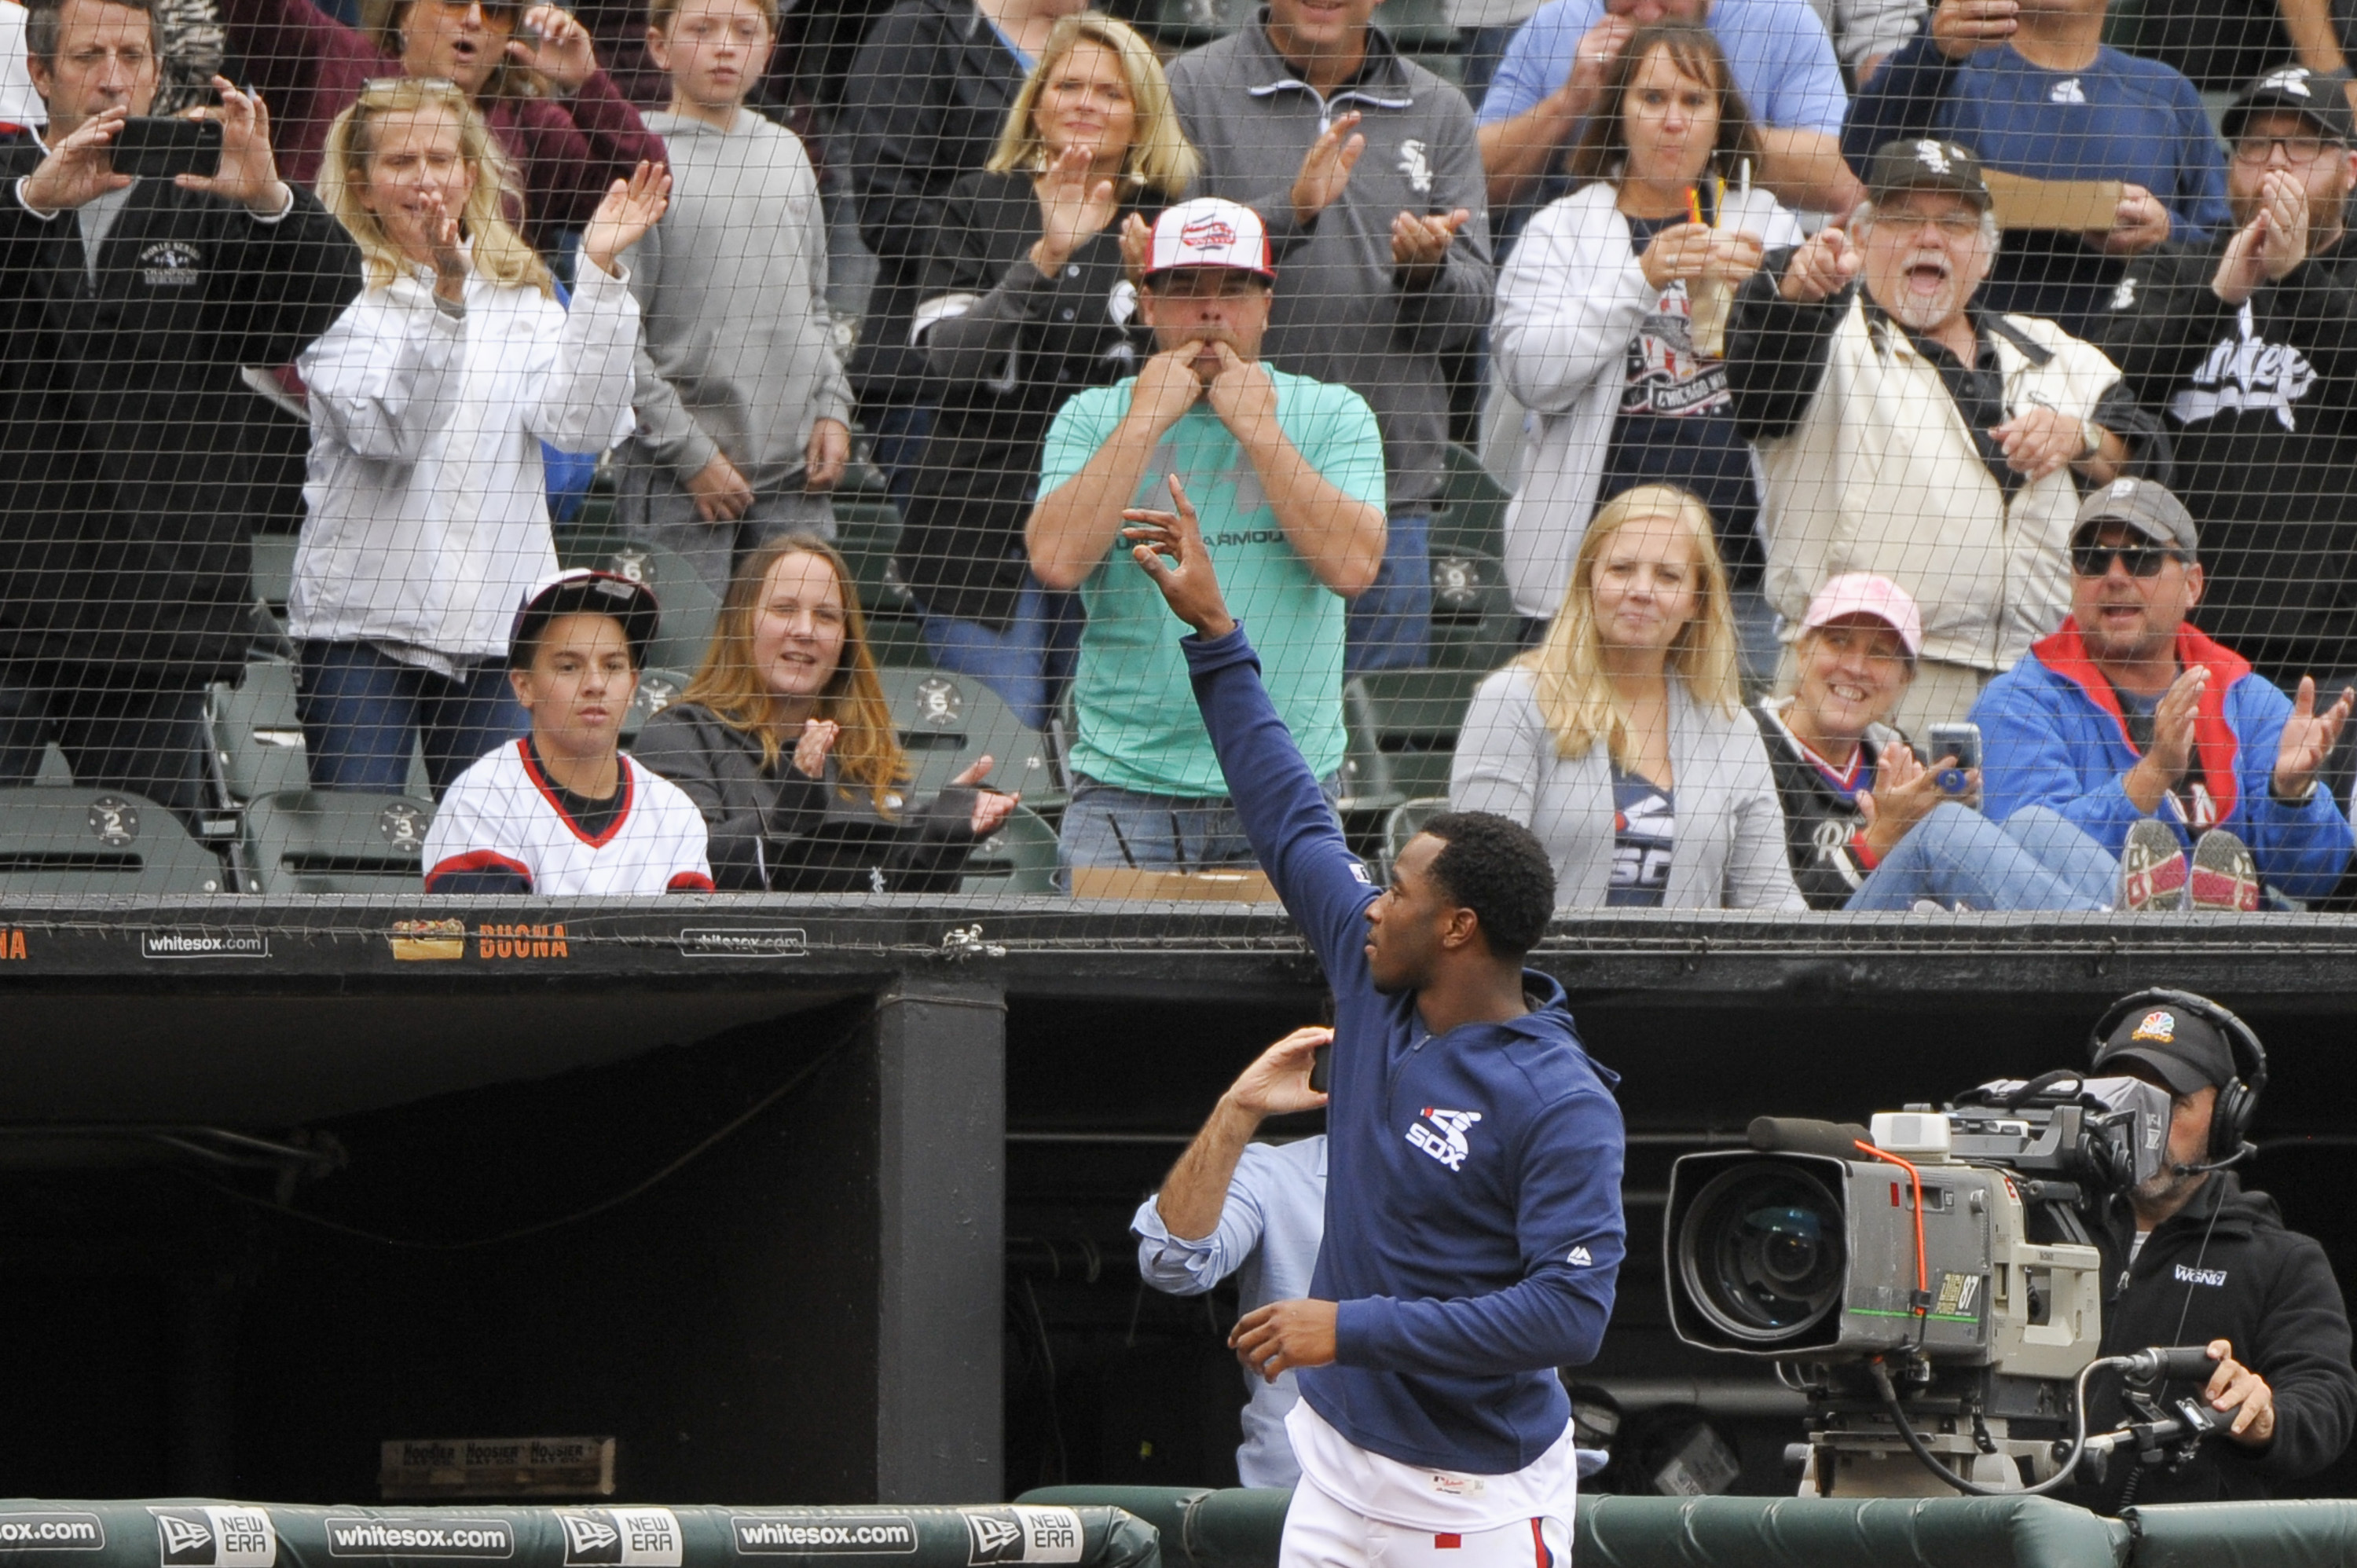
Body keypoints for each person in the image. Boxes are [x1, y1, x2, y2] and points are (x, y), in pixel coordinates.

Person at [1122, 461, 1625, 1568]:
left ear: (1456, 931)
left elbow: (1565, 1321)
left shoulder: (1560, 1098)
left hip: (1478, 1500)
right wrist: (1214, 630)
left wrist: (1345, 1327)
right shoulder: (1373, 976)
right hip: (1339, 1479)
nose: (1372, 901)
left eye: (1399, 888)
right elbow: (1289, 816)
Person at [0, 0, 358, 819]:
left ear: (161, 72)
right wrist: (32, 202)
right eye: (89, 56)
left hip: (152, 621)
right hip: (10, 612)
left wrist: (270, 201)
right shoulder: (9, 185)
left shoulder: (208, 191)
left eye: (133, 54)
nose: (114, 78)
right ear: (40, 73)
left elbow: (302, 311)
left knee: (154, 881)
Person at [1725, 137, 2168, 735]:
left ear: (1985, 254)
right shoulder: (1821, 333)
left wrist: (2079, 439)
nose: (1928, 238)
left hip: (2041, 691)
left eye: (1955, 224)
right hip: (1863, 685)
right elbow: (1760, 379)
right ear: (1860, 238)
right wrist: (1796, 290)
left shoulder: (2053, 352)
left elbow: (2148, 457)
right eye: (1904, 218)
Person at [291, 80, 661, 797]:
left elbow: (580, 427)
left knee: (493, 871)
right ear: (363, 188)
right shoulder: (331, 285)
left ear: (470, 173)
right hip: (362, 630)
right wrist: (446, 303)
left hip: (499, 631)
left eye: (442, 158)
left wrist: (603, 278)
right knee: (355, 858)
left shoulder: (521, 290)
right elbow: (391, 434)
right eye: (402, 163)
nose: (426, 179)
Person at [1025, 198, 1386, 875]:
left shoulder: (1334, 412)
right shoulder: (1093, 414)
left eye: (1234, 289)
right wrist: (1143, 423)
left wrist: (1260, 432)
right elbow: (1055, 559)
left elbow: (1353, 568)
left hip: (1287, 782)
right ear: (1149, 305)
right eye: (1186, 289)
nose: (1211, 311)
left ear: (1266, 306)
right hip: (1127, 789)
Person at [1165, 0, 1492, 674]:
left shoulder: (1440, 107)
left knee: (1367, 760)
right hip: (1225, 487)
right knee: (1233, 744)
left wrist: (1426, 275)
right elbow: (1172, 276)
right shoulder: (1192, 86)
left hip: (1386, 494)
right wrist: (1293, 212)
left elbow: (1470, 310)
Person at [895, 13, 1195, 730]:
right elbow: (948, 361)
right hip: (976, 538)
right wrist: (1046, 259)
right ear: (1037, 103)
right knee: (1004, 747)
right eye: (1068, 85)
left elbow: (1193, 379)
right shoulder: (975, 202)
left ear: (1142, 118)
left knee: (1101, 741)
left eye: (1112, 92)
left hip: (1122, 540)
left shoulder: (1168, 221)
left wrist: (1154, 302)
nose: (1087, 102)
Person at [1490, 24, 1802, 665]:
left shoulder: (1769, 222)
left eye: (1694, 101)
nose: (1673, 121)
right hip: (1588, 584)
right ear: (1618, 113)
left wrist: (1800, 296)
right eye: (1653, 98)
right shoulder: (1562, 230)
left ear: (1722, 118)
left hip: (1738, 585)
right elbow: (1530, 373)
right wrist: (1641, 279)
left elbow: (1803, 392)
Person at [1972, 478, 2357, 908]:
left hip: (2241, 965)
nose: (2115, 576)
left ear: (2193, 584)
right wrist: (2152, 775)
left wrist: (2292, 797)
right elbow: (2020, 861)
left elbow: (2318, 876)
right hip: (2093, 959)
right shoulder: (2016, 703)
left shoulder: (2247, 697)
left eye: (2142, 558)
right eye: (2093, 559)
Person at [2095, 64, 2357, 691]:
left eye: (2301, 146)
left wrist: (2295, 278)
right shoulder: (2179, 264)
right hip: (2176, 639)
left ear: (2350, 170)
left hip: (2332, 648)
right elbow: (2109, 392)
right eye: (2255, 146)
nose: (2275, 166)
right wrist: (2218, 298)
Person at [2066, 990, 2356, 1506]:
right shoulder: (2033, 1224)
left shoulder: (2282, 1261)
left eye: (2170, 1104)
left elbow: (2324, 1405)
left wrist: (2265, 1416)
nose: (2144, 1126)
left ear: (2225, 1119)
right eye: (2125, 1100)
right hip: (2023, 1538)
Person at [1450, 485, 1802, 909]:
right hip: (1541, 973)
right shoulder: (1511, 701)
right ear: (1588, 580)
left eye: (1668, 576)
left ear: (1697, 600)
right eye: (1621, 569)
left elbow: (1771, 901)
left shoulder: (1733, 729)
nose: (1642, 590)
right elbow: (1479, 887)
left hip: (1684, 975)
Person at [613, 0, 852, 600]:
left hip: (796, 484)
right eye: (702, 29)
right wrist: (690, 454)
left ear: (769, 49)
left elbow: (816, 305)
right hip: (681, 479)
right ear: (659, 46)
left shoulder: (789, 154)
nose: (725, 46)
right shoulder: (640, 155)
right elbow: (615, 335)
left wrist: (833, 405)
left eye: (746, 31)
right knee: (682, 672)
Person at [633, 535, 1019, 891]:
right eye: (784, 609)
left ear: (845, 641)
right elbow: (683, 875)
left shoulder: (866, 751)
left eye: (827, 616)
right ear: (741, 622)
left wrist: (939, 843)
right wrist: (784, 820)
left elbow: (895, 913)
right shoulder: (679, 736)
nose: (805, 630)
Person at [1840, 0, 2233, 339]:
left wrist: (2166, 236)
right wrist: (1931, 50)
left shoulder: (2165, 91)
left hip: (2129, 374)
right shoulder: (1947, 67)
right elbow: (1863, 156)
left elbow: (2225, 250)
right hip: (1965, 371)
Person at [1755, 573, 2127, 910]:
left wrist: (1954, 817)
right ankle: (2111, 931)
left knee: (2033, 825)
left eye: (1879, 654)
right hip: (1795, 963)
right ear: (1802, 653)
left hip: (1900, 954)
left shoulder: (1903, 761)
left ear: (1904, 680)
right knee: (1943, 832)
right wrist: (1879, 841)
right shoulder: (1749, 745)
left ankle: (2154, 926)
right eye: (1839, 641)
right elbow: (1762, 914)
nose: (1855, 666)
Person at [837, 0, 1080, 514]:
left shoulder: (1098, 46)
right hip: (939, 385)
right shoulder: (921, 29)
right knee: (970, 585)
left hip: (1069, 384)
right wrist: (1037, 258)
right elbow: (887, 209)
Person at [218, 0, 666, 251]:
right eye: (453, 2)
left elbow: (647, 185)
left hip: (471, 382)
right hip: (311, 364)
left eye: (495, 9)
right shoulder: (328, 54)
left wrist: (588, 83)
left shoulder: (529, 121)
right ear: (402, 14)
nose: (472, 17)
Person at [423, 569, 716, 893]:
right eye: (568, 666)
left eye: (613, 666)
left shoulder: (674, 812)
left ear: (633, 685)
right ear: (523, 686)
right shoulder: (482, 800)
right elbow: (488, 943)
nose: (595, 685)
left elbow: (689, 941)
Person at [1131, 1024, 1332, 1489]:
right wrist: (1239, 1109)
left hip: (1457, 1500)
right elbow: (1172, 1264)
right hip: (1292, 1499)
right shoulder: (1275, 1172)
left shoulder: (1493, 1170)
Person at [1476, 0, 1858, 218]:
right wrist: (1569, 103)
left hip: (1739, 251)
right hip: (1585, 264)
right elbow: (1470, 183)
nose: (1644, 12)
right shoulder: (1556, 25)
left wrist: (1701, 125)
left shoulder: (1780, 19)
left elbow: (1844, 178)